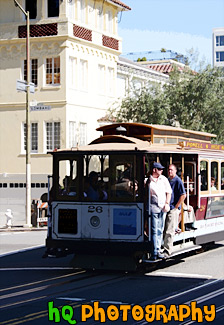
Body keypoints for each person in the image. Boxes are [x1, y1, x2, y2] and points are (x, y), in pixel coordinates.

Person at [148, 162, 172, 261]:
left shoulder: (164, 179)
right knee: (154, 230)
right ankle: (154, 251)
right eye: (159, 169)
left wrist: (167, 203)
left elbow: (169, 192)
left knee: (160, 229)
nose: (162, 171)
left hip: (163, 208)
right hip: (153, 208)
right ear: (154, 170)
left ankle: (158, 249)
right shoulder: (148, 181)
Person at [163, 164, 186, 257]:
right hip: (167, 207)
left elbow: (183, 195)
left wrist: (176, 207)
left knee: (170, 230)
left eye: (171, 170)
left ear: (175, 171)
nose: (169, 172)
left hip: (173, 208)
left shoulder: (177, 180)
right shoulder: (168, 180)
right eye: (168, 170)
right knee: (165, 228)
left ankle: (167, 250)